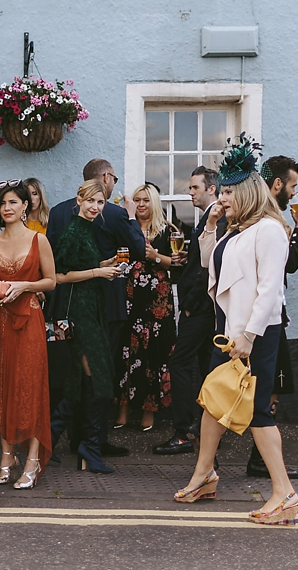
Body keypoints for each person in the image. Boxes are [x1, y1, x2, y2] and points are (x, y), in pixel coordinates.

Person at [175, 134, 298, 526]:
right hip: (228, 332)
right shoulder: (236, 229)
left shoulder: (271, 230)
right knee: (213, 401)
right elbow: (215, 266)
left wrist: (248, 336)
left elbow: (269, 289)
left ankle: (284, 493)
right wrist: (211, 230)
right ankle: (204, 475)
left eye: (229, 192)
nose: (223, 197)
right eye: (222, 191)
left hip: (254, 335)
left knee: (258, 412)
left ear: (247, 192)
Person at [48, 159, 144, 456]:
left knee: (74, 371)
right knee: (99, 373)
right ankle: (93, 442)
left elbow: (52, 258)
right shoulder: (115, 213)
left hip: (66, 304)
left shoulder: (57, 212)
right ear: (105, 177)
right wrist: (130, 217)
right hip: (102, 305)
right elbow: (139, 251)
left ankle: (72, 440)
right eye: (114, 177)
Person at [0, 181, 56, 489]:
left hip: (30, 320)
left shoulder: (39, 240)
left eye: (12, 202)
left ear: (25, 206)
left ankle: (33, 460)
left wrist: (25, 286)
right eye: (2, 204)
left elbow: (51, 281)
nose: (6, 208)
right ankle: (7, 456)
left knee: (31, 387)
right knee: (4, 386)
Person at [244, 155, 298, 479]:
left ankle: (257, 458)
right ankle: (260, 461)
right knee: (267, 389)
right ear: (277, 184)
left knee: (270, 388)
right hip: (267, 318)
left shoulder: (263, 217)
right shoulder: (271, 222)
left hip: (268, 317)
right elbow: (288, 265)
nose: (295, 194)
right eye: (293, 186)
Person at [52, 179, 124, 473]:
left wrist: (106, 263)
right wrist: (98, 271)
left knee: (82, 382)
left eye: (101, 203)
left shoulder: (87, 229)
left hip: (91, 310)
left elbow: (82, 265)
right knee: (97, 380)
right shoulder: (72, 230)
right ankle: (86, 448)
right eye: (91, 201)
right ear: (79, 200)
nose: (95, 207)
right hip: (79, 314)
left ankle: (56, 442)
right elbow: (59, 274)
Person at [155, 167, 219, 457]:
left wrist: (192, 306)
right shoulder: (206, 220)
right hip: (208, 310)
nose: (190, 192)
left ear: (211, 189)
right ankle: (207, 432)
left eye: (195, 187)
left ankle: (183, 431)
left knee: (179, 362)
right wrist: (186, 254)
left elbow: (209, 271)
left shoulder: (216, 219)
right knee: (207, 367)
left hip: (201, 309)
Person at [116, 183, 175, 432]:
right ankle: (122, 409)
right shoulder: (126, 228)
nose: (141, 205)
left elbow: (178, 263)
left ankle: (149, 411)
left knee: (153, 356)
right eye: (137, 200)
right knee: (126, 353)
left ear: (154, 203)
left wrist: (156, 258)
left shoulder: (167, 230)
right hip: (130, 299)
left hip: (156, 303)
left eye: (146, 200)